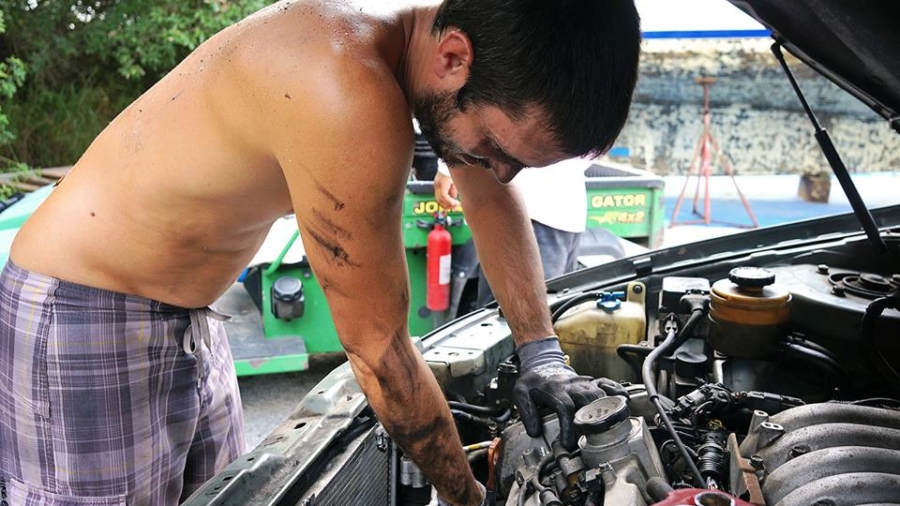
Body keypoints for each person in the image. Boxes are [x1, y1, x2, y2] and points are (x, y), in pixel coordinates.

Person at [0, 0, 641, 504]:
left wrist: (543, 351)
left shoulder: (441, 76)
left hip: (192, 317)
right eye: (498, 148)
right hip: (82, 318)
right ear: (453, 56)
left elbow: (488, 193)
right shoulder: (345, 91)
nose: (499, 173)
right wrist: (468, 498)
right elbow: (380, 351)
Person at [433, 157, 590, 308]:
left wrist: (448, 165)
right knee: (549, 312)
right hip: (560, 206)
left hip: (530, 207)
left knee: (512, 318)